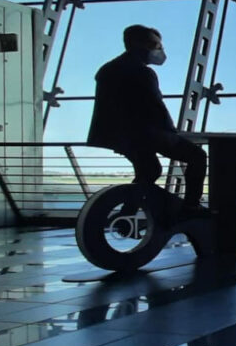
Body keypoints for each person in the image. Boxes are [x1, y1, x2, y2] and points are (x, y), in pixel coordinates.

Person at [87, 25, 208, 212]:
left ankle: (128, 213)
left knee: (149, 170)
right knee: (197, 157)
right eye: (155, 45)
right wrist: (171, 132)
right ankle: (190, 206)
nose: (160, 51)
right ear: (139, 45)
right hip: (145, 133)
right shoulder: (143, 72)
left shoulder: (107, 69)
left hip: (118, 135)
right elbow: (155, 106)